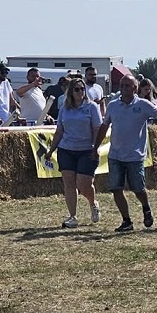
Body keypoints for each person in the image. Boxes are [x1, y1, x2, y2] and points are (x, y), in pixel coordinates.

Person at [94, 74, 157, 232]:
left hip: (135, 155)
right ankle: (126, 221)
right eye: (122, 85)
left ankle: (146, 207)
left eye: (127, 86)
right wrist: (95, 147)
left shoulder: (143, 105)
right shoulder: (112, 106)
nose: (124, 88)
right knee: (116, 188)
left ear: (135, 88)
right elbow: (104, 127)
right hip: (115, 155)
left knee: (138, 188)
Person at [44, 78, 103, 228]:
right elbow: (59, 131)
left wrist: (95, 148)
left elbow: (97, 128)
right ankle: (72, 216)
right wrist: (51, 150)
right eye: (77, 89)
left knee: (84, 184)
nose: (80, 92)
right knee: (69, 183)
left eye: (82, 89)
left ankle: (92, 203)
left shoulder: (92, 107)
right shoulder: (65, 109)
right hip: (66, 150)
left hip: (86, 150)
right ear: (71, 92)